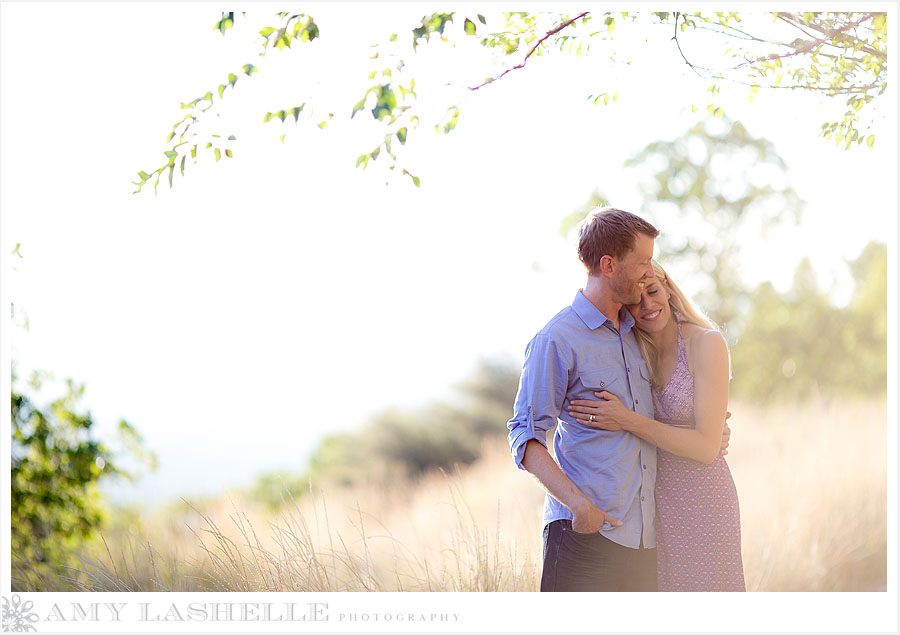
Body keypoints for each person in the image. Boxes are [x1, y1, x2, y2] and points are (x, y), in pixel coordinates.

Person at [507, 208, 663, 592]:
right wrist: (579, 506)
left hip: (643, 542)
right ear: (609, 265)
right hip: (585, 538)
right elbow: (524, 437)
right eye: (642, 262)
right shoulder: (557, 339)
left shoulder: (638, 333)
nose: (651, 272)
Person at [567, 260, 746, 591]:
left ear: (668, 290)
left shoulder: (706, 344)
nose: (647, 305)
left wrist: (627, 420)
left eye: (653, 291)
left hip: (705, 502)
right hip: (656, 507)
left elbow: (707, 449)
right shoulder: (635, 351)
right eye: (635, 300)